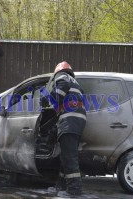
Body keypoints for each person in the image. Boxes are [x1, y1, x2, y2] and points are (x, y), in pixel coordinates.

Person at [49, 61, 87, 197]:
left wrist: (53, 99)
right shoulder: (75, 83)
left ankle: (75, 191)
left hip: (70, 120)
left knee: (69, 157)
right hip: (77, 120)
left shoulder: (63, 77)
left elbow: (60, 91)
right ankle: (60, 186)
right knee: (65, 155)